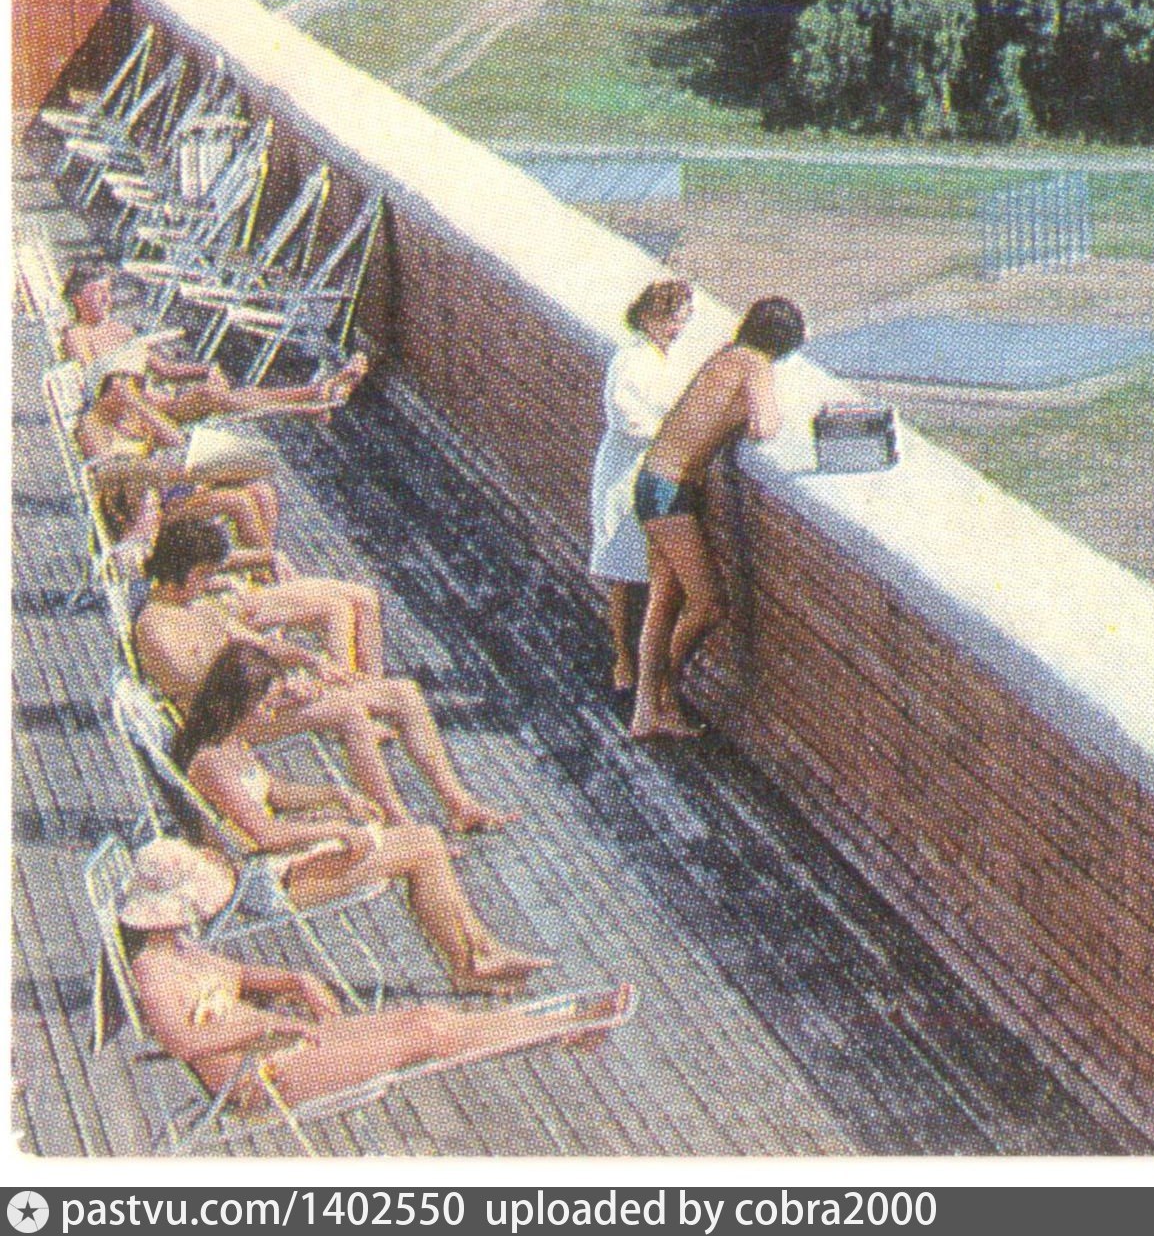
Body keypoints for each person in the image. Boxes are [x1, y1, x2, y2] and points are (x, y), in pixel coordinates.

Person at [114, 838, 630, 1118]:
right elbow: (183, 1043)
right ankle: (563, 1028)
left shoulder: (180, 949)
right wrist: (269, 1031)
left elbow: (242, 974)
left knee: (428, 1017)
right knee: (426, 1037)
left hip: (281, 1044)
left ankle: (561, 1026)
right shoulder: (154, 973)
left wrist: (295, 981)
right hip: (258, 1077)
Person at [170, 643, 551, 994]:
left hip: (275, 865)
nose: (271, 714)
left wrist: (338, 795)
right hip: (262, 880)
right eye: (265, 704)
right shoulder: (212, 761)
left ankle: (479, 954)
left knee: (424, 841)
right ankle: (472, 963)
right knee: (424, 847)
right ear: (234, 701)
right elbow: (266, 834)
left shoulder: (230, 740)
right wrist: (335, 827)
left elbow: (273, 792)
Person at [135, 553, 514, 835]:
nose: (210, 582)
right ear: (177, 575)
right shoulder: (156, 628)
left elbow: (256, 648)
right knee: (349, 710)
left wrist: (307, 662)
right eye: (202, 575)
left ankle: (460, 805)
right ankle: (399, 825)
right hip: (235, 722)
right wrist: (280, 694)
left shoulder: (195, 607)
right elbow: (211, 695)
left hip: (258, 699)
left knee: (404, 692)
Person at [628, 296, 802, 743]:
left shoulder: (725, 355)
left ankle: (648, 713)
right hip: (671, 492)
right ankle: (666, 691)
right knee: (708, 603)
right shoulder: (754, 363)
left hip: (653, 480)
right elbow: (766, 427)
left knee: (665, 600)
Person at [60, 262, 366, 420]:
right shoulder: (77, 335)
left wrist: (203, 369)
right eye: (96, 294)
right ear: (78, 299)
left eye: (107, 292)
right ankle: (315, 397)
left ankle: (315, 398)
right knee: (219, 399)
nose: (106, 299)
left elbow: (165, 370)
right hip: (137, 414)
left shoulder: (121, 329)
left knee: (229, 394)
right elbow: (95, 383)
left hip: (159, 399)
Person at [590, 282, 700, 698]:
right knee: (626, 569)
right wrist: (672, 433)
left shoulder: (671, 358)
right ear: (648, 316)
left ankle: (646, 662)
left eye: (682, 318)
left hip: (657, 470)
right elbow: (625, 419)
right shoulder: (631, 360)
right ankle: (622, 657)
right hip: (627, 472)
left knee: (652, 568)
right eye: (671, 318)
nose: (677, 327)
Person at [141, 512, 384, 679]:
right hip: (236, 607)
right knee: (337, 608)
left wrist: (271, 556)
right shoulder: (178, 587)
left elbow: (219, 561)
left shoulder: (191, 554)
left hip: (239, 593)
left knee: (365, 597)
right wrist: (219, 586)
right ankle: (348, 692)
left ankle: (372, 691)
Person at [79, 369, 284, 555]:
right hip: (146, 511)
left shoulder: (127, 422)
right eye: (126, 390)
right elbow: (117, 478)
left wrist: (138, 406)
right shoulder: (92, 426)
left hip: (161, 491)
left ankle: (263, 573)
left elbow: (174, 439)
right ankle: (265, 569)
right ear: (105, 391)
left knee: (262, 491)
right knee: (238, 501)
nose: (133, 395)